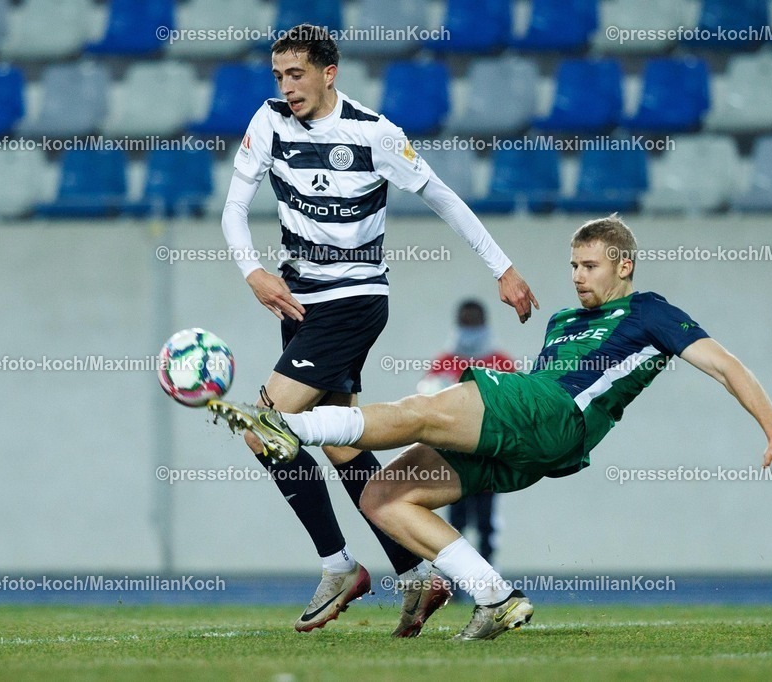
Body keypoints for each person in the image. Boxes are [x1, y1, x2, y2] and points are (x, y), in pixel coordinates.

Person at [209, 214, 772, 640]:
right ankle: (495, 597)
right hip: (533, 442)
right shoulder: (561, 320)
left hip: (555, 414)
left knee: (423, 410)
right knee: (383, 495)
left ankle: (288, 422)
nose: (578, 276)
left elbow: (726, 365)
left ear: (624, 265)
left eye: (591, 265)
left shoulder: (649, 311)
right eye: (574, 265)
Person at [219, 24, 539, 636]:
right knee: (342, 444)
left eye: (297, 75)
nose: (287, 87)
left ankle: (340, 565)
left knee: (263, 429)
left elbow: (443, 195)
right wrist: (254, 270)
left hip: (355, 299)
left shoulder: (374, 133)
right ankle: (416, 572)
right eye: (279, 76)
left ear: (329, 72)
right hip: (299, 301)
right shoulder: (268, 121)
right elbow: (235, 207)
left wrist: (503, 269)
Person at [417, 299, 514, 566]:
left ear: (485, 324)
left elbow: (515, 413)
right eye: (465, 323)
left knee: (486, 525)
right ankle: (456, 582)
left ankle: (489, 578)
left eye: (474, 323)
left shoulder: (502, 364)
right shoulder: (442, 364)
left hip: (488, 463)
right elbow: (425, 409)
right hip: (453, 463)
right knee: (454, 524)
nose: (470, 328)